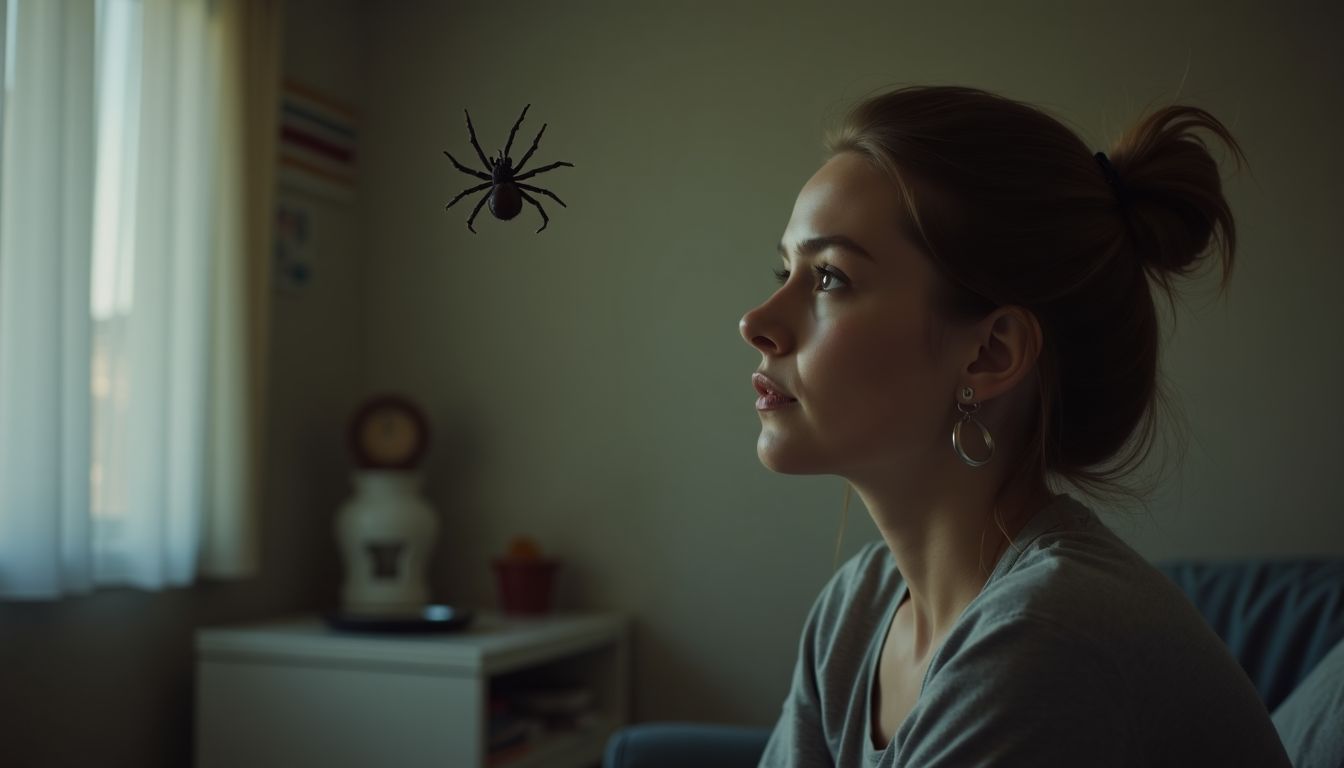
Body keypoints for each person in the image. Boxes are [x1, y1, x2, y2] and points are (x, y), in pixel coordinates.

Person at [738, 85, 1289, 767]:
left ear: (991, 353)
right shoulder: (855, 612)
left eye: (829, 279)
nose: (755, 322)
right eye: (783, 269)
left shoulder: (1045, 639)